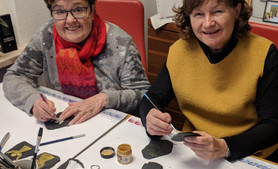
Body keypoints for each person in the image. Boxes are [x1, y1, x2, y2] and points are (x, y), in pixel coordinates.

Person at [140, 0, 278, 162]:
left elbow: (273, 125)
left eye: (217, 11)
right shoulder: (179, 50)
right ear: (189, 17)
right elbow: (152, 98)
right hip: (193, 150)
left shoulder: (265, 54)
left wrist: (224, 147)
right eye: (198, 14)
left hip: (248, 154)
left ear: (236, 11)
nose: (208, 23)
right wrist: (149, 117)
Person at [3, 0, 150, 125]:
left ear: (92, 10)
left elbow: (143, 94)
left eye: (78, 9)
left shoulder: (121, 43)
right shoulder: (46, 35)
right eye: (60, 11)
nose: (70, 20)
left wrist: (103, 99)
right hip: (65, 122)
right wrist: (32, 100)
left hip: (109, 126)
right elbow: (15, 75)